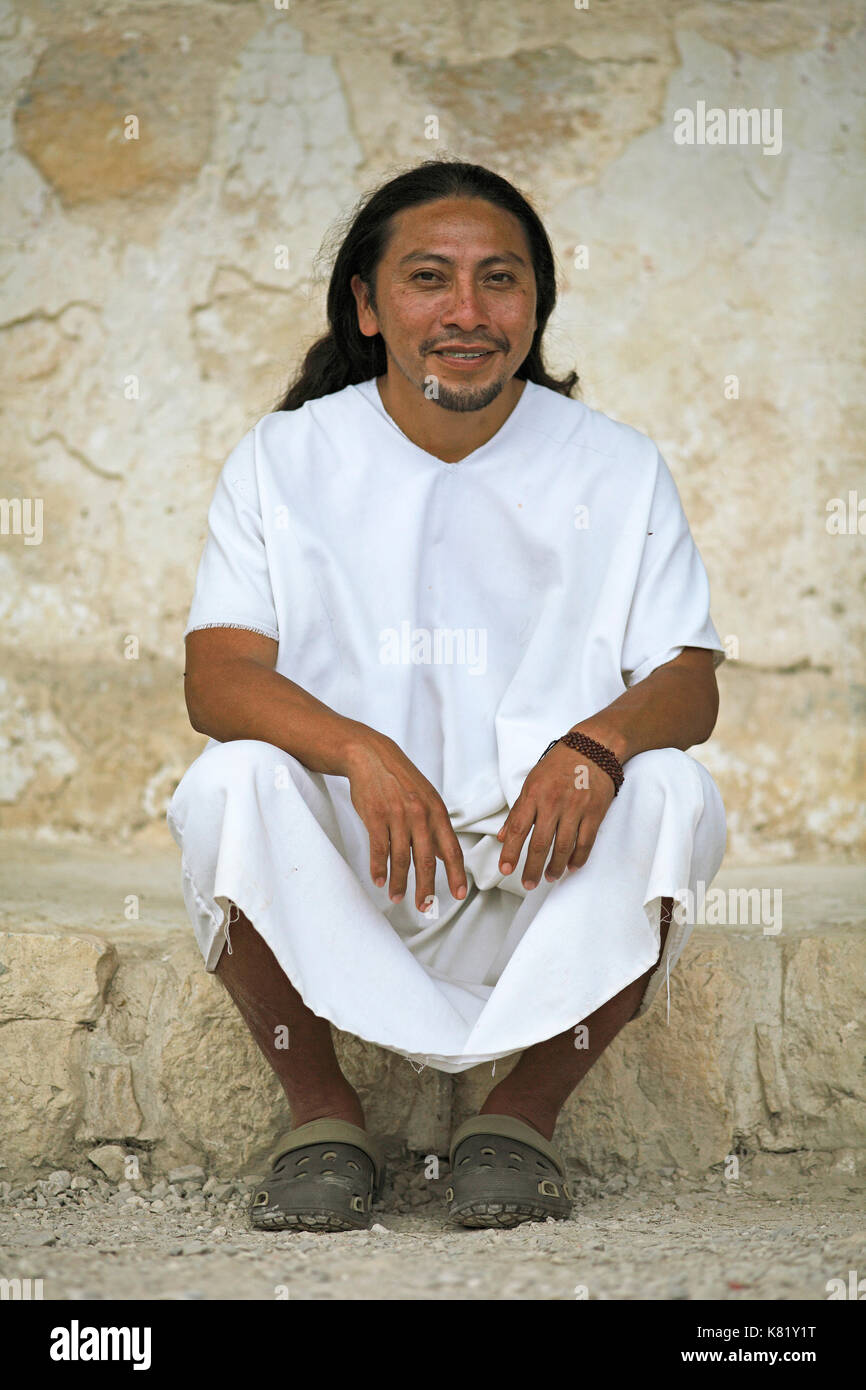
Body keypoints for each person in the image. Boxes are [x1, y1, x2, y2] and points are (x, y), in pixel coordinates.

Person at [166, 158, 726, 1234]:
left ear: (535, 305)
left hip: (544, 865)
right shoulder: (284, 459)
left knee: (671, 791)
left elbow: (687, 681)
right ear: (368, 307)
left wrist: (595, 746)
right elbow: (218, 676)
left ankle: (517, 1119)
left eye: (499, 281)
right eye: (428, 279)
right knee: (226, 781)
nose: (466, 312)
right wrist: (359, 752)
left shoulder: (614, 466)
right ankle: (322, 1118)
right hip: (354, 860)